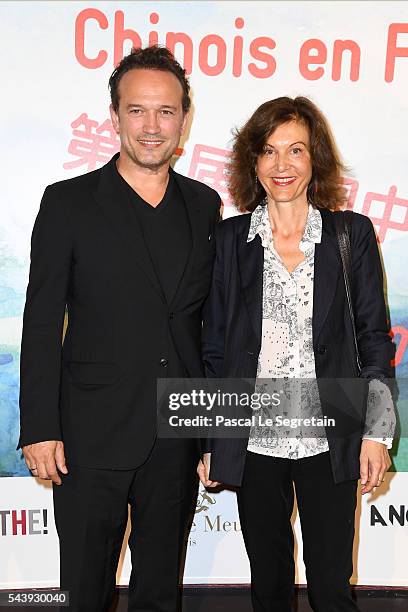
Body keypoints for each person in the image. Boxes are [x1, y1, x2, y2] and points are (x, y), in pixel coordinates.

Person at [18, 45, 221, 611]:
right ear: (114, 117)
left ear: (184, 118)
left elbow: (206, 328)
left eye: (165, 111)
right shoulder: (68, 203)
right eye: (137, 111)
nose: (152, 127)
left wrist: (211, 434)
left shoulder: (205, 205)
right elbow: (40, 322)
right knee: (83, 590)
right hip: (88, 434)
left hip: (176, 432)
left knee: (161, 591)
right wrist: (39, 426)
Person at [198, 96, 396, 611]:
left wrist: (377, 433)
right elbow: (215, 347)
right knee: (268, 582)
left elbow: (374, 337)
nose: (281, 165)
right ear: (253, 164)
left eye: (295, 151)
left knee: (332, 585)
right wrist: (208, 438)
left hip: (332, 437)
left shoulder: (349, 234)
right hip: (255, 438)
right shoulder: (230, 239)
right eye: (268, 152)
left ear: (315, 161)